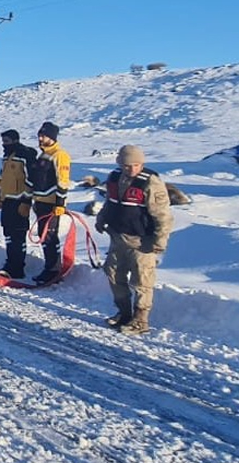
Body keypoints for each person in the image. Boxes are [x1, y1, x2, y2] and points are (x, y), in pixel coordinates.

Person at [96, 144, 173, 335]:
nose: (132, 169)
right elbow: (110, 202)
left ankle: (140, 320)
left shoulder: (151, 182)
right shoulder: (114, 177)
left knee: (142, 281)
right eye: (127, 165)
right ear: (120, 164)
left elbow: (162, 216)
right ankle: (124, 313)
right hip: (118, 237)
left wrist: (160, 240)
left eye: (136, 165)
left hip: (142, 242)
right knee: (114, 275)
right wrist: (101, 218)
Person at [29, 121, 71, 284]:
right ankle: (49, 267)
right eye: (39, 135)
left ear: (52, 137)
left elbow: (63, 180)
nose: (40, 138)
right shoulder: (43, 155)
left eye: (44, 136)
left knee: (50, 236)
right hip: (40, 201)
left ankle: (53, 270)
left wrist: (60, 203)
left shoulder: (59, 155)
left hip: (51, 204)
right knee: (43, 235)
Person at [0, 129, 37, 279]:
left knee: (18, 236)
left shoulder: (24, 155)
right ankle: (10, 264)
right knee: (9, 235)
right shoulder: (7, 157)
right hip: (7, 201)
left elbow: (31, 180)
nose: (4, 144)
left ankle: (18, 267)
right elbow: (3, 178)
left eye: (7, 141)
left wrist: (26, 201)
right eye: (3, 141)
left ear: (15, 140)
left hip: (19, 202)